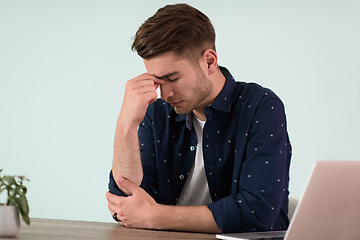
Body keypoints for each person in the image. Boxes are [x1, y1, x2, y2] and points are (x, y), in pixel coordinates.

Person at [106, 3, 291, 234]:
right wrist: (126, 123)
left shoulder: (261, 107)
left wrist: (154, 216)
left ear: (209, 62)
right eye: (158, 82)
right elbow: (125, 204)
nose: (165, 94)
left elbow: (256, 213)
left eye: (172, 78)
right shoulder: (156, 112)